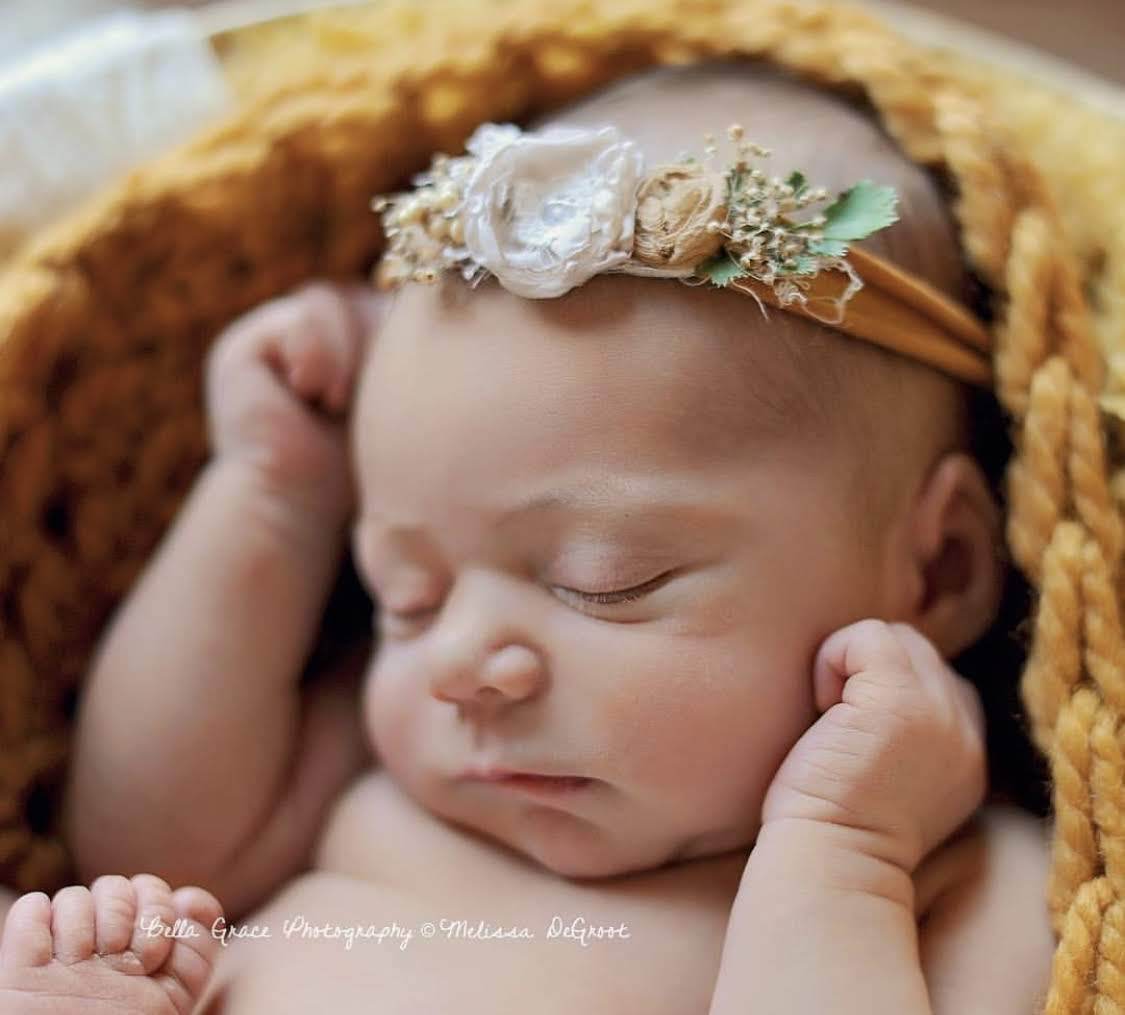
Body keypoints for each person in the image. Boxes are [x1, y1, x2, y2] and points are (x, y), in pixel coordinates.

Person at [2, 62, 1057, 1013]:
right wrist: (276, 497)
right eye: (401, 594)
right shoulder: (397, 782)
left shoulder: (947, 877)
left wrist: (842, 860)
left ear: (940, 566)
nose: (459, 662)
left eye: (605, 581)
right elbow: (143, 840)